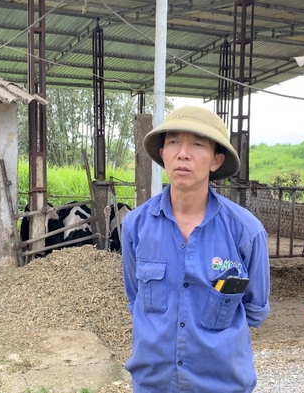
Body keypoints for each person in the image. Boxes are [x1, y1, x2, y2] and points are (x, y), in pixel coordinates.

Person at [121, 105, 271, 392]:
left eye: (197, 144)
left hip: (221, 385)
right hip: (153, 385)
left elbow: (254, 310)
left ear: (216, 161)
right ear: (162, 153)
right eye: (174, 142)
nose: (183, 153)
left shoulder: (246, 232)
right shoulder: (136, 226)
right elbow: (135, 298)